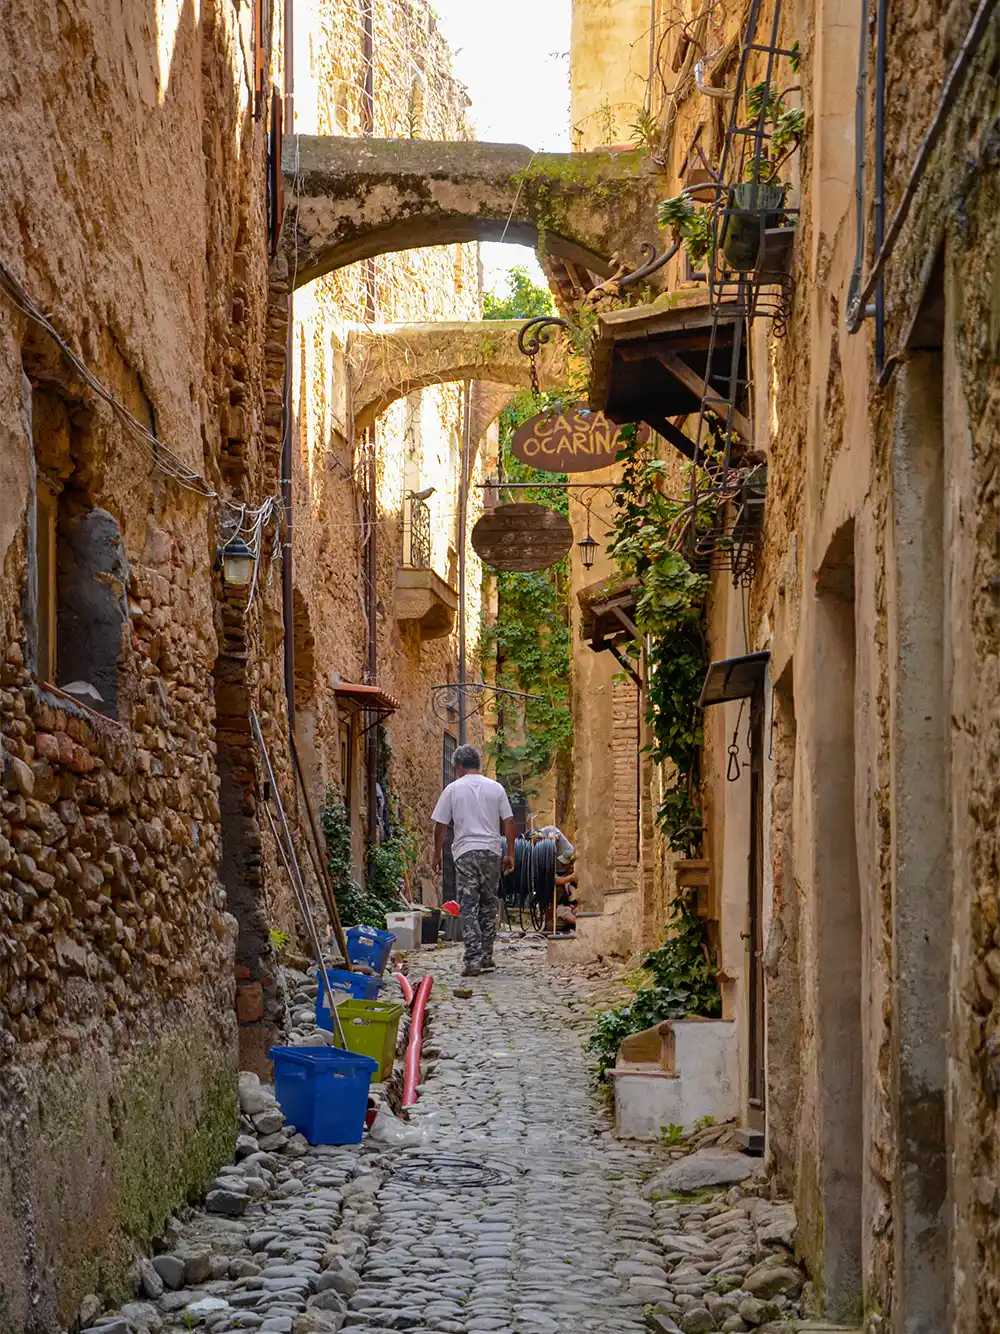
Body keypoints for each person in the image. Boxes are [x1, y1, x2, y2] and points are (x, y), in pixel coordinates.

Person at [431, 744, 515, 977]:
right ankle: (487, 956)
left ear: (458, 766)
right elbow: (509, 821)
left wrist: (437, 853)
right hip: (491, 851)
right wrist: (510, 853)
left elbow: (441, 825)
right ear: (477, 763)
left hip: (466, 852)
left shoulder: (452, 789)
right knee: (489, 904)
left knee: (468, 904)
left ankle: (473, 960)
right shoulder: (496, 788)